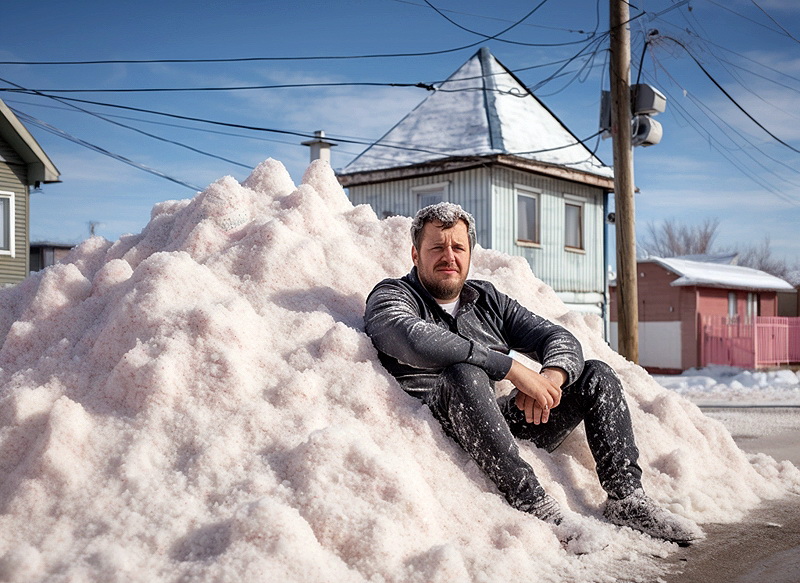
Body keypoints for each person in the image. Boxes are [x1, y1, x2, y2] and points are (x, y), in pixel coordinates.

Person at [364, 202, 700, 545]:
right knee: (464, 372)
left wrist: (549, 380)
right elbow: (413, 339)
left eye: (458, 247)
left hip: (497, 425)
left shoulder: (486, 300)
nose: (448, 256)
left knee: (595, 374)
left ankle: (627, 499)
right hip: (438, 435)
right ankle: (533, 502)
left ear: (469, 254)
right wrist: (511, 368)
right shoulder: (391, 296)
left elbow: (558, 337)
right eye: (437, 247)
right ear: (415, 254)